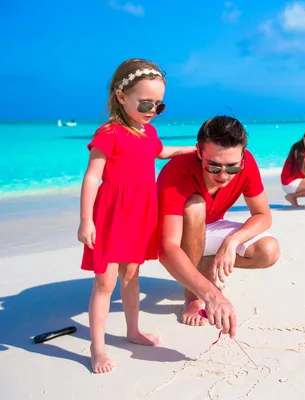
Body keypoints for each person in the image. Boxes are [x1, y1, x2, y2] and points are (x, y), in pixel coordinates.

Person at [77, 58, 195, 374]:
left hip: (141, 212)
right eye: (146, 102)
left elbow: (160, 152)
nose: (152, 109)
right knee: (105, 281)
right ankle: (97, 348)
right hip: (112, 213)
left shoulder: (149, 132)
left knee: (132, 274)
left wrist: (193, 150)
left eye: (159, 104)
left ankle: (132, 330)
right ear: (121, 96)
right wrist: (86, 220)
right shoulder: (109, 133)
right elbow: (91, 177)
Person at [157, 115, 280, 334]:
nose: (223, 175)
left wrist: (232, 243)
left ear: (242, 157)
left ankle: (203, 269)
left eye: (232, 168)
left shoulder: (247, 163)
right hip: (175, 231)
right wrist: (212, 297)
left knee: (268, 251)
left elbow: (263, 215)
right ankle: (192, 296)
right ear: (199, 152)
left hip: (212, 226)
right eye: (213, 167)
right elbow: (167, 248)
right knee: (195, 205)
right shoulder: (177, 172)